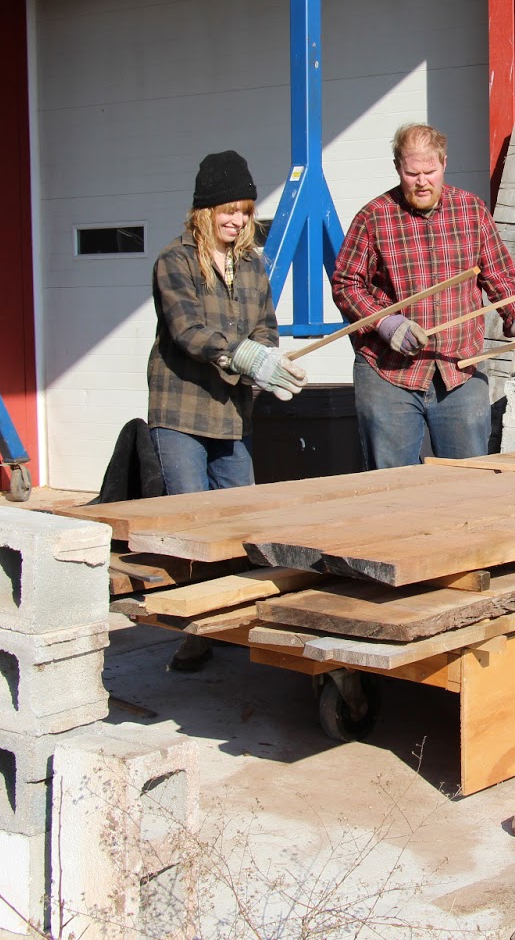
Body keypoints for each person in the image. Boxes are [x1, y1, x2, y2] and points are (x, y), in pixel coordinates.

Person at [148, 149, 305, 668]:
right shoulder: (175, 261)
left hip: (231, 411)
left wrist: (265, 358)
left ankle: (239, 612)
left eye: (244, 210)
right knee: (192, 522)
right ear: (204, 213)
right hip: (180, 411)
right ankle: (192, 628)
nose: (237, 221)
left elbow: (266, 326)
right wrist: (240, 354)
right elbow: (187, 329)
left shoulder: (253, 264)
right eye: (227, 211)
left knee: (241, 517)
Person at [332, 123, 515, 469]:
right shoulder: (373, 217)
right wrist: (388, 323)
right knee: (392, 485)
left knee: (468, 482)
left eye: (430, 171)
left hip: (458, 369)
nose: (422, 181)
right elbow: (346, 283)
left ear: (444, 164)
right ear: (398, 169)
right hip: (390, 374)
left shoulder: (471, 210)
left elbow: (499, 275)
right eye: (412, 173)